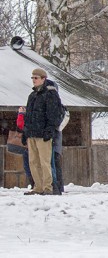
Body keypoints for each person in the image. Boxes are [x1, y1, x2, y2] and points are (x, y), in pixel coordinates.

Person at [23, 67, 63, 195]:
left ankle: (47, 188)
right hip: (32, 133)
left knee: (44, 162)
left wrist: (49, 130)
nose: (33, 80)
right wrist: (26, 132)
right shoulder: (32, 95)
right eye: (32, 78)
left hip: (43, 133)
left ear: (43, 79)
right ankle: (38, 187)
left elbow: (53, 114)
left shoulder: (50, 94)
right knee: (33, 162)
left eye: (36, 78)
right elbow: (28, 115)